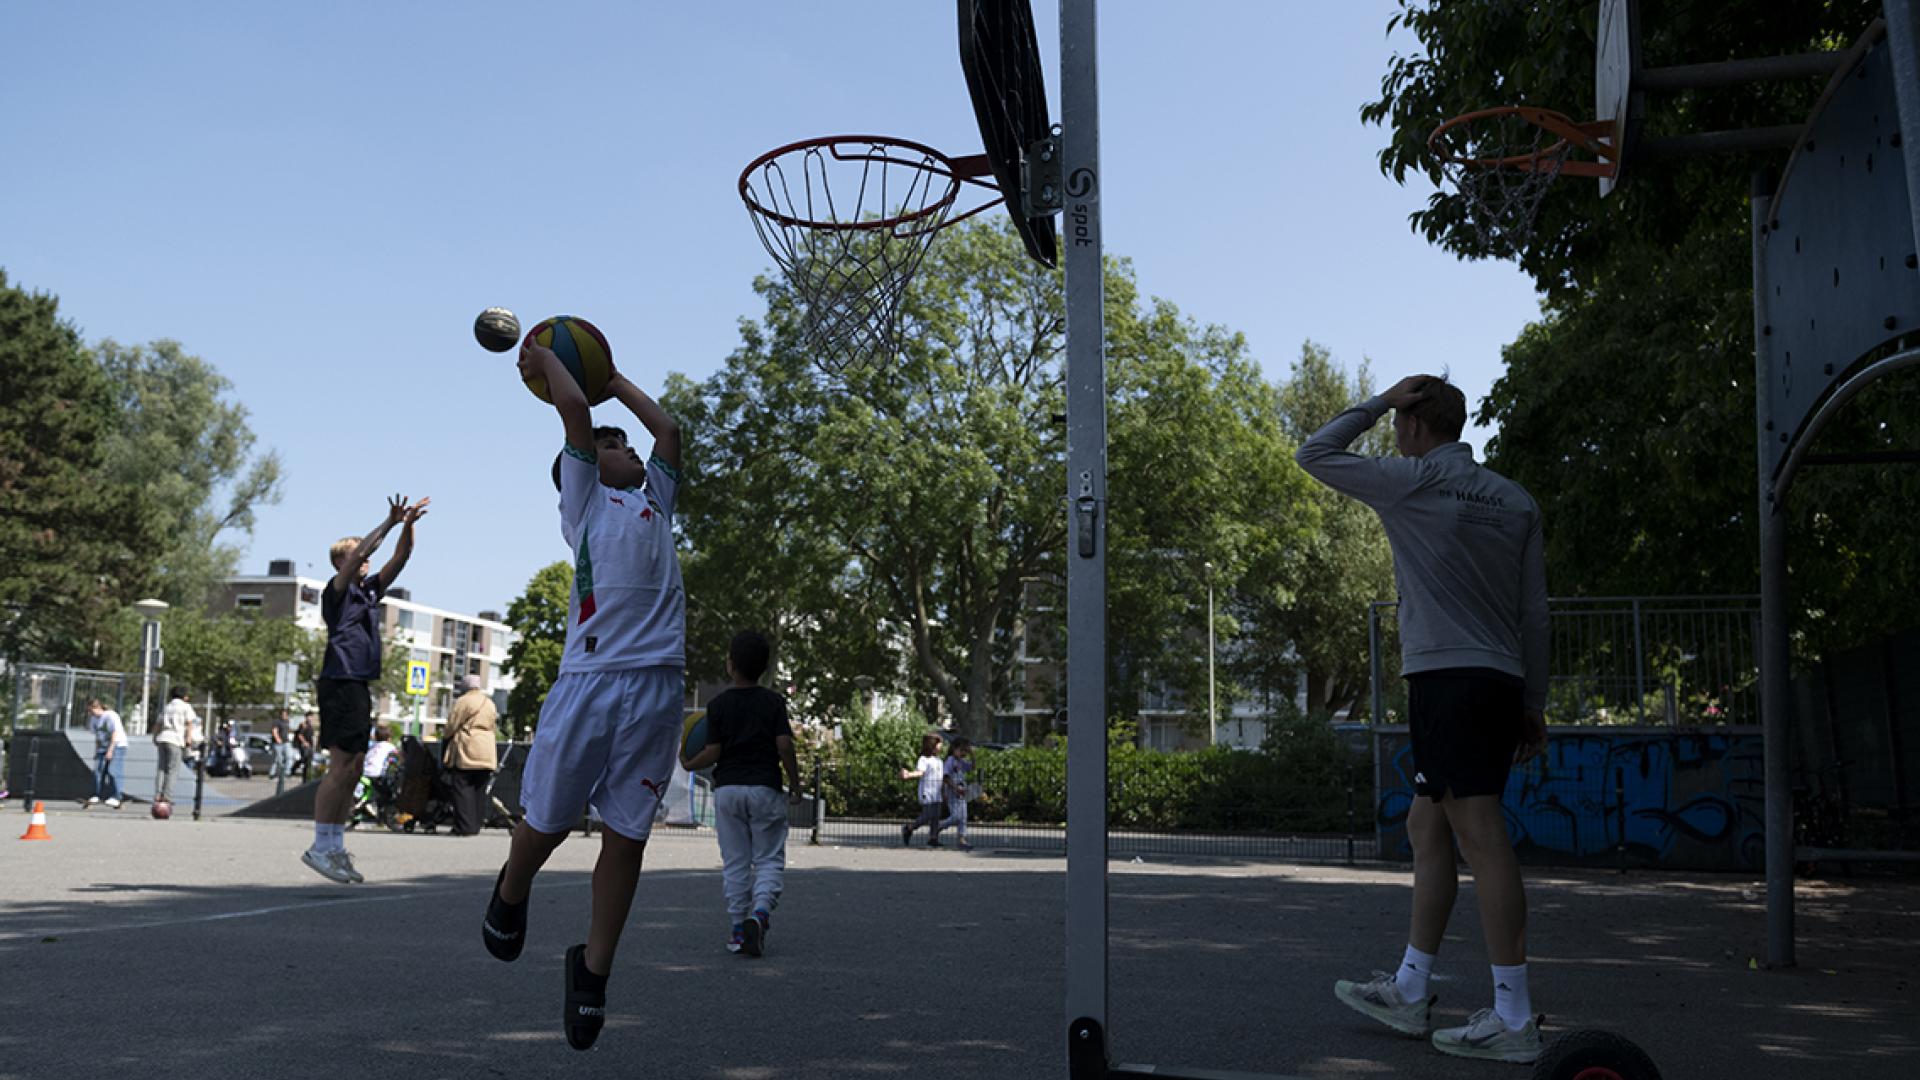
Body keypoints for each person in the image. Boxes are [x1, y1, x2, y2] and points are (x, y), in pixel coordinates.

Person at [1296, 374, 1550, 1065]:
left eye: (1400, 422)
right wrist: (1534, 702)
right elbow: (1534, 612)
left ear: (1412, 426)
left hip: (1447, 678)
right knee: (1425, 821)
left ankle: (1514, 1014)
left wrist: (1378, 400)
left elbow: (1313, 454)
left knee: (1480, 832)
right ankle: (1411, 987)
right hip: (1496, 679)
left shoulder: (1408, 482)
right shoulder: (1513, 498)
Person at [480, 335, 683, 1051]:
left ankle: (592, 972)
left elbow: (669, 430)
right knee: (552, 820)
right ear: (589, 464)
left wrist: (617, 377)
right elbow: (571, 408)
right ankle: (512, 887)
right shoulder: (586, 502)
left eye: (626, 444)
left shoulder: (656, 497)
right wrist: (547, 353)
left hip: (657, 685)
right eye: (612, 443)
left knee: (628, 837)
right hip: (591, 681)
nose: (629, 446)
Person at [302, 493, 429, 885]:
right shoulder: (336, 592)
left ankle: (334, 845)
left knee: (356, 768)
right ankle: (320, 844)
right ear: (342, 561)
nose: (366, 558)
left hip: (358, 682)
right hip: (339, 680)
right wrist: (388, 523)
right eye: (357, 554)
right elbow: (361, 554)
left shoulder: (369, 591)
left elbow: (401, 558)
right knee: (341, 766)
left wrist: (407, 527)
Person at [681, 630, 802, 958]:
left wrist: (689, 763)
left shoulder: (717, 705)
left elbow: (713, 751)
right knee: (769, 858)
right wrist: (796, 783)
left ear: (730, 665)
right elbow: (784, 746)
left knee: (735, 861)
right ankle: (759, 913)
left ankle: (737, 928)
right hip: (764, 786)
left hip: (728, 789)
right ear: (764, 667)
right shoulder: (774, 702)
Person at [441, 675, 499, 836]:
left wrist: (446, 739)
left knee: (462, 787)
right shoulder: (489, 703)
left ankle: (464, 827)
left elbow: (451, 726)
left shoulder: (463, 701)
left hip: (468, 745)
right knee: (479, 790)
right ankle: (475, 825)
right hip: (487, 747)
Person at [899, 733, 946, 848]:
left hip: (937, 792)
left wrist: (944, 791)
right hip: (927, 791)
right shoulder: (924, 759)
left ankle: (933, 838)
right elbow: (920, 772)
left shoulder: (939, 761)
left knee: (936, 815)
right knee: (927, 815)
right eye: (940, 744)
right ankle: (909, 828)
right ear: (932, 745)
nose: (941, 747)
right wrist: (909, 774)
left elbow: (941, 777)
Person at [153, 688, 196, 806]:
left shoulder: (167, 707)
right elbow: (189, 723)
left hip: (163, 737)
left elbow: (158, 723)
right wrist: (188, 738)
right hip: (175, 739)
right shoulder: (185, 707)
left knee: (161, 768)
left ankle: (157, 794)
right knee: (172, 770)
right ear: (184, 696)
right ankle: (167, 797)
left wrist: (155, 737)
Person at [84, 699, 128, 809]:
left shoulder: (110, 716)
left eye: (91, 710)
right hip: (103, 746)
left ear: (98, 708)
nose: (91, 714)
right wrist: (96, 750)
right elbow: (98, 737)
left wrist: (111, 750)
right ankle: (97, 794)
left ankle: (116, 796)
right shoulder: (93, 720)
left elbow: (115, 733)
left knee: (113, 770)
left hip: (117, 745)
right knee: (98, 770)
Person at [939, 737, 976, 851]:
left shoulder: (961, 761)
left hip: (961, 793)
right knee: (956, 816)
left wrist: (973, 755)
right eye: (962, 750)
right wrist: (955, 788)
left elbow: (972, 767)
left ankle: (962, 840)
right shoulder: (950, 760)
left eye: (966, 751)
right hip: (952, 793)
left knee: (963, 817)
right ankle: (939, 825)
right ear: (954, 749)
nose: (964, 753)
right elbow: (946, 777)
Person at [269, 708, 293, 780]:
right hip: (278, 744)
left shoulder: (286, 721)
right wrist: (277, 739)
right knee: (277, 760)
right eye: (283, 714)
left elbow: (288, 731)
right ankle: (272, 774)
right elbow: (274, 731)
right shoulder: (276, 721)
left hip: (286, 742)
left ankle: (286, 773)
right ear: (280, 714)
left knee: (290, 757)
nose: (284, 715)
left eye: (285, 714)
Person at [293, 712, 316, 779]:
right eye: (309, 716)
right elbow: (300, 735)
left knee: (308, 761)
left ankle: (306, 776)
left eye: (312, 717)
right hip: (304, 746)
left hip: (310, 746)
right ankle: (295, 771)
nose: (311, 718)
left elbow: (311, 736)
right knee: (305, 760)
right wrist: (305, 742)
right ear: (306, 717)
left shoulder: (310, 725)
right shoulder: (304, 724)